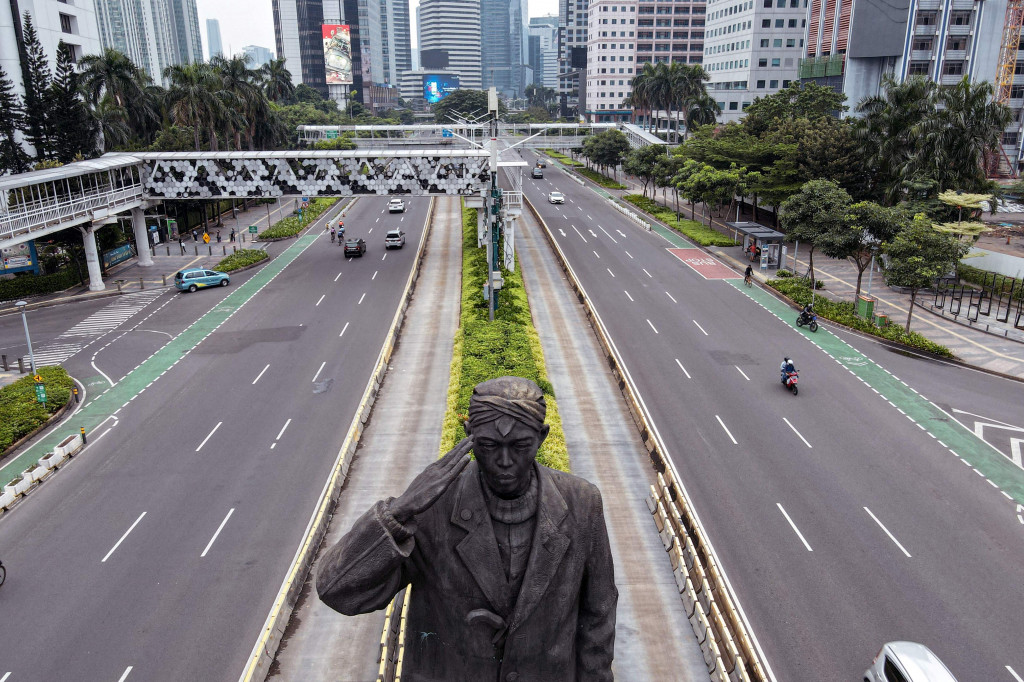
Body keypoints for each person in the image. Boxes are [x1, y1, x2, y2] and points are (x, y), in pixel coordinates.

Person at [317, 377, 617, 681]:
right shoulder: (432, 508)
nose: (504, 461)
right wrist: (398, 513)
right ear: (469, 435)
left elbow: (598, 619)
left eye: (520, 446)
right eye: (488, 446)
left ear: (541, 437)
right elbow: (336, 590)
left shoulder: (581, 504)